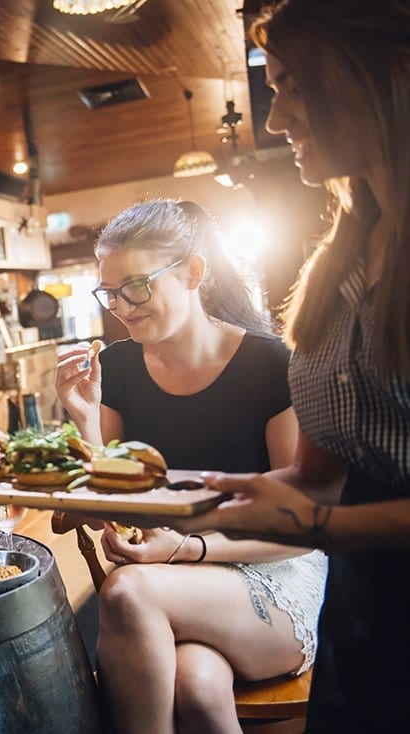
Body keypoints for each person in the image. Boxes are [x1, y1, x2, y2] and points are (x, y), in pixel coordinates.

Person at [173, 2, 410, 730]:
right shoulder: (341, 259)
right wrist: (185, 501)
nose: (275, 120)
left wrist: (310, 519)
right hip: (364, 617)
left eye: (291, 86)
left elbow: (316, 507)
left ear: (364, 80)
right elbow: (320, 476)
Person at [55, 199, 327, 733]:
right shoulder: (117, 368)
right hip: (174, 581)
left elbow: (300, 525)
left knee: (127, 591)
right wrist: (84, 422)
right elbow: (112, 499)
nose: (122, 307)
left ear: (193, 272)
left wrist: (186, 547)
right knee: (198, 689)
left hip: (271, 574)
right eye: (109, 292)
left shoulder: (271, 363)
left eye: (136, 285)